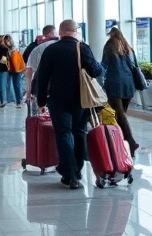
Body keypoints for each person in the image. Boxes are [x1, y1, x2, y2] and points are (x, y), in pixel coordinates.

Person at [34, 20, 102, 189]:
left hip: (58, 99)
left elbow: (42, 78)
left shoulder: (51, 49)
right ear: (75, 31)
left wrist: (41, 100)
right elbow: (97, 71)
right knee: (79, 132)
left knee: (64, 133)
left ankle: (70, 175)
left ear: (61, 31)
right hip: (82, 99)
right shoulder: (82, 48)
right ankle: (77, 170)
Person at [101, 26, 140, 157]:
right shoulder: (128, 47)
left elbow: (103, 65)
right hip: (129, 84)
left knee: (119, 114)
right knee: (121, 114)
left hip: (114, 84)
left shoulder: (109, 46)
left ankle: (130, 141)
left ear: (111, 35)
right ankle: (122, 141)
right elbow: (135, 66)